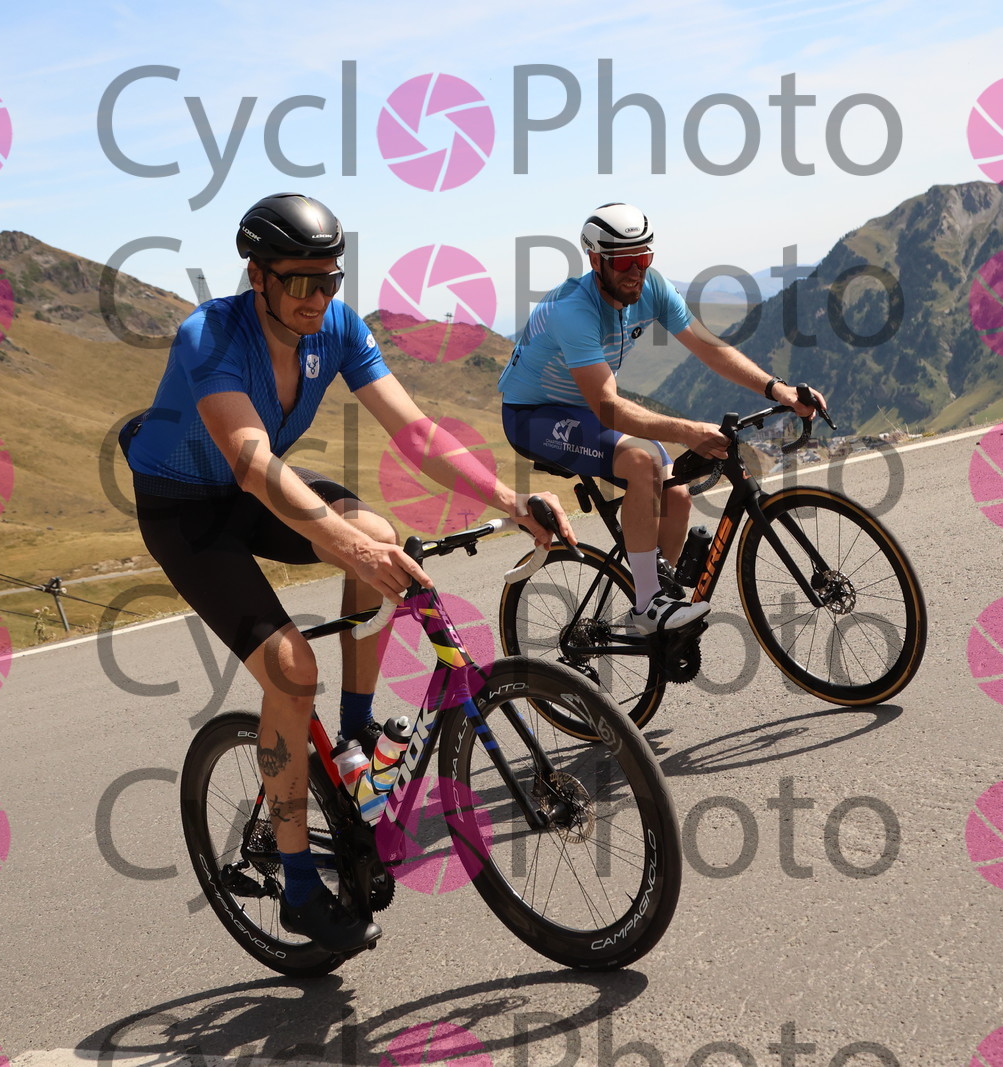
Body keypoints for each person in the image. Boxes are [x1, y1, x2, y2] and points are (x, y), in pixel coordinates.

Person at [122, 193, 574, 953]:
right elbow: (254, 464)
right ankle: (300, 886)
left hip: (257, 492)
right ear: (257, 277)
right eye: (300, 282)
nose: (317, 297)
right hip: (187, 510)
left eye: (329, 280)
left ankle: (355, 731)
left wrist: (509, 497)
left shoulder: (335, 326)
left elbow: (416, 432)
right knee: (291, 668)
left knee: (379, 532)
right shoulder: (210, 335)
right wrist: (353, 552)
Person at [498, 203, 822, 633]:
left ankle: (657, 600)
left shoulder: (652, 287)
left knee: (677, 494)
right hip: (533, 416)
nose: (637, 271)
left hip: (588, 408)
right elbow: (608, 407)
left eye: (644, 257)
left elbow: (710, 348)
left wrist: (777, 388)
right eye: (624, 262)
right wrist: (688, 431)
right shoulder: (573, 310)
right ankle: (646, 606)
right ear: (595, 260)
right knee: (643, 462)